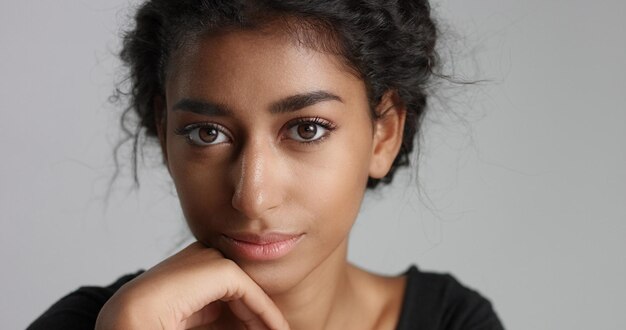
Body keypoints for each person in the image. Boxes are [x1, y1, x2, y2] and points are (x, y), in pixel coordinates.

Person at [29, 0, 504, 329]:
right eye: (207, 133)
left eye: (307, 129)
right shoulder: (98, 324)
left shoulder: (451, 322)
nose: (252, 196)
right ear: (164, 128)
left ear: (383, 133)